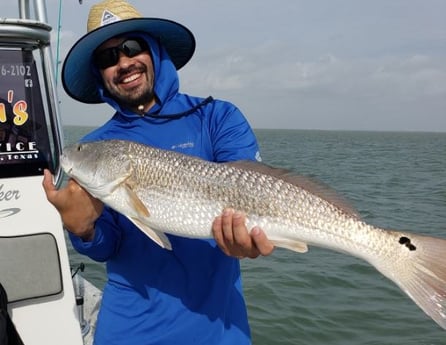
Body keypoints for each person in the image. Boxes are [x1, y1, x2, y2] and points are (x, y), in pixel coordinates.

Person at [42, 0, 274, 344]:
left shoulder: (216, 117)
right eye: (107, 59)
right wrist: (83, 231)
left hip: (219, 329)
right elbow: (108, 246)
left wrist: (246, 238)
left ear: (154, 50)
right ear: (99, 74)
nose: (123, 63)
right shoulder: (95, 147)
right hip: (131, 330)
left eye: (131, 47)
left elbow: (251, 188)